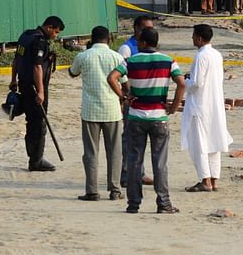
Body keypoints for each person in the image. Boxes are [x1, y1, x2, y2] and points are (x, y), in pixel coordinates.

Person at [107, 27, 185, 214]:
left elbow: (112, 78)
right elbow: (181, 83)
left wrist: (124, 97)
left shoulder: (131, 61)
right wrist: (173, 107)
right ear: (156, 43)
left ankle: (133, 203)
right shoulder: (168, 61)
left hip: (136, 117)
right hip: (159, 117)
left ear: (142, 43)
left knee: (135, 160)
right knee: (160, 162)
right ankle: (163, 203)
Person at [70, 26, 124, 201]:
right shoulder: (117, 57)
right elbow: (125, 82)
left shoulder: (83, 56)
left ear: (91, 39)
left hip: (90, 111)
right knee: (115, 151)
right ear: (108, 39)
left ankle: (92, 191)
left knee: (91, 152)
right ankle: (115, 189)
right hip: (112, 110)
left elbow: (73, 73)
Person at [10, 16, 65, 171]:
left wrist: (13, 80)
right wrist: (41, 91)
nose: (56, 36)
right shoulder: (39, 41)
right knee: (39, 123)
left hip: (24, 85)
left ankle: (33, 157)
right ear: (49, 27)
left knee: (31, 121)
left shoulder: (26, 36)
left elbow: (16, 59)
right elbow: (37, 67)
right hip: (35, 88)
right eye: (56, 32)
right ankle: (36, 161)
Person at [182, 25, 233, 192]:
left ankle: (205, 180)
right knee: (214, 141)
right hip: (214, 104)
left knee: (200, 143)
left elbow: (197, 83)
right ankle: (214, 179)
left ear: (199, 38)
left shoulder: (201, 56)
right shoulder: (216, 55)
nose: (191, 39)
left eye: (193, 36)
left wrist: (185, 81)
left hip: (200, 105)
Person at [117, 16, 154, 187]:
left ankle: (140, 172)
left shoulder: (150, 46)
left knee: (142, 138)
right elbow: (118, 76)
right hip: (131, 100)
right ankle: (126, 174)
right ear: (136, 29)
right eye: (145, 27)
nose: (149, 31)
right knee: (129, 138)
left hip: (146, 100)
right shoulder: (127, 48)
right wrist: (124, 96)